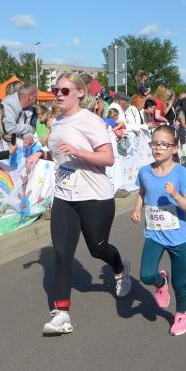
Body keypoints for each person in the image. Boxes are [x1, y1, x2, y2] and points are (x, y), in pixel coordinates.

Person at [40, 73, 131, 335]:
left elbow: (108, 158)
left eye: (64, 90)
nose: (58, 94)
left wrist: (79, 152)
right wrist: (41, 154)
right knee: (61, 254)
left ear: (80, 93)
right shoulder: (56, 121)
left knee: (97, 248)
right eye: (55, 90)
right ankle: (62, 315)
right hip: (64, 195)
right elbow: (59, 154)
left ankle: (119, 268)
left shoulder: (91, 120)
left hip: (94, 196)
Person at [131, 125, 186, 335]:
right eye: (154, 144)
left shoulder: (180, 173)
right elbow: (142, 192)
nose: (158, 148)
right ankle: (161, 282)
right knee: (146, 275)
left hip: (178, 237)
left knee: (180, 282)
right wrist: (137, 210)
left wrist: (176, 195)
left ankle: (182, 314)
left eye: (163, 144)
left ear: (174, 148)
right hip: (154, 234)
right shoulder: (145, 172)